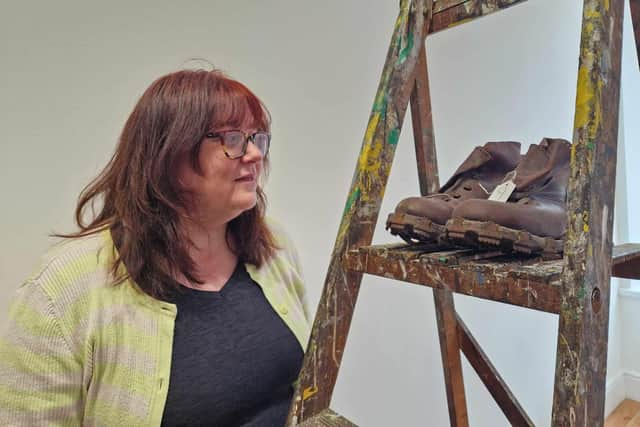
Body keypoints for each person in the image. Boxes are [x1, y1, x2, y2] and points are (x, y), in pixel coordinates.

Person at [0, 69, 312, 426]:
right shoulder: (63, 289)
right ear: (168, 154)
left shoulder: (273, 246)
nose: (254, 153)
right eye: (232, 138)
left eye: (257, 137)